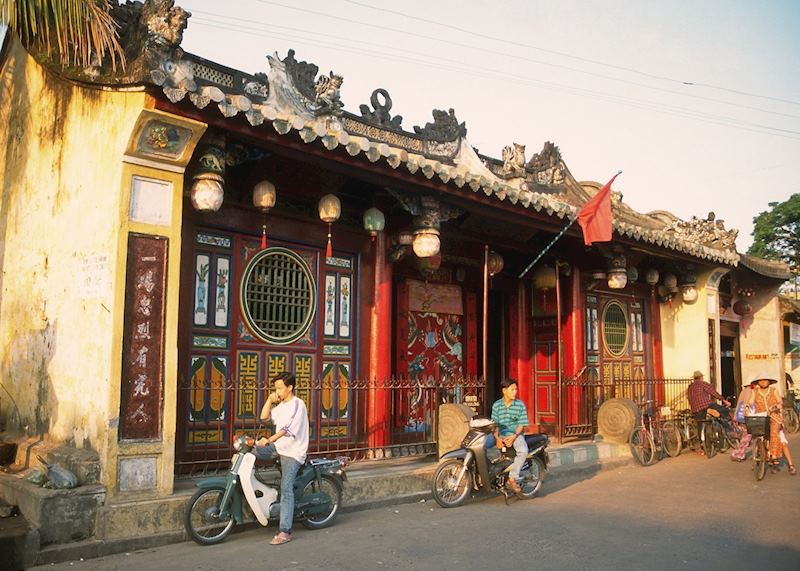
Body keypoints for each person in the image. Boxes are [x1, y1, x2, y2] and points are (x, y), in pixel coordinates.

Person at [255, 372, 310, 544]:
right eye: (275, 388)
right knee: (248, 451)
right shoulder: (281, 407)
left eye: (279, 388)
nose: (277, 391)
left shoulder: (297, 404)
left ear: (290, 388)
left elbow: (286, 429)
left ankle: (285, 531)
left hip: (293, 452)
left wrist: (268, 440)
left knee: (286, 488)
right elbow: (264, 418)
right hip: (279, 448)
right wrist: (270, 400)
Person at [747, 377, 796, 475]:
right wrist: (747, 407)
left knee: (781, 440)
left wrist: (776, 406)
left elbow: (780, 402)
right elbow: (750, 402)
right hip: (762, 418)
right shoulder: (755, 392)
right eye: (761, 381)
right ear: (758, 382)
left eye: (765, 380)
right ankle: (762, 453)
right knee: (757, 433)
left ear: (769, 382)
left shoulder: (773, 391)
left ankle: (788, 463)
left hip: (775, 417)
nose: (763, 382)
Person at [491, 378, 529, 494]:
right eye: (512, 390)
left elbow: (521, 424)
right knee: (486, 449)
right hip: (501, 434)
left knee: (523, 451)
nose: (515, 392)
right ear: (504, 391)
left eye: (516, 389)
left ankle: (512, 477)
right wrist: (497, 438)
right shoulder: (497, 405)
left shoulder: (520, 405)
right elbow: (495, 424)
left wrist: (514, 437)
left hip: (515, 435)